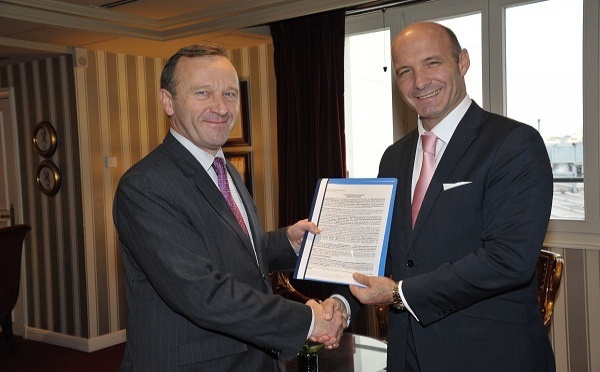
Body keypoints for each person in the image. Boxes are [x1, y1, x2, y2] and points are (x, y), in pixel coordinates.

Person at [113, 43, 348, 372]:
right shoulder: (146, 186)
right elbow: (201, 292)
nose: (220, 108)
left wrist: (286, 243)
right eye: (203, 93)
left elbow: (227, 251)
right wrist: (308, 320)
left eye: (229, 94)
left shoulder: (226, 170)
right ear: (168, 101)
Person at [347, 22, 555, 371]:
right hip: (406, 355)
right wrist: (340, 301)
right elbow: (381, 254)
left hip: (488, 356)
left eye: (432, 62)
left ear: (463, 62)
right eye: (405, 71)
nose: (419, 81)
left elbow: (508, 259)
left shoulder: (514, 144)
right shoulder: (393, 157)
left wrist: (400, 293)